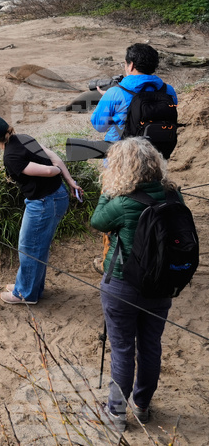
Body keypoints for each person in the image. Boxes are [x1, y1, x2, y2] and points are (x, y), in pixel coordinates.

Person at [90, 137, 178, 432]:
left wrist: (106, 192)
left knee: (123, 349)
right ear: (155, 164)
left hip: (122, 286)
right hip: (161, 285)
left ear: (121, 168)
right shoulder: (173, 197)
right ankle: (142, 406)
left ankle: (116, 412)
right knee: (151, 345)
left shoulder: (123, 202)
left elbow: (98, 221)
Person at [0, 115, 81, 305]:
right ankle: (29, 286)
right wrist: (70, 181)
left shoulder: (11, 157)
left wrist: (57, 171)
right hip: (55, 195)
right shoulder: (23, 138)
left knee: (29, 247)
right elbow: (54, 156)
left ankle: (24, 294)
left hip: (45, 202)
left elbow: (47, 170)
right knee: (37, 246)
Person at [90, 43, 178, 144]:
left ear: (131, 65)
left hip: (122, 155)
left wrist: (107, 97)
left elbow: (99, 126)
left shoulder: (114, 93)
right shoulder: (168, 90)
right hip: (157, 154)